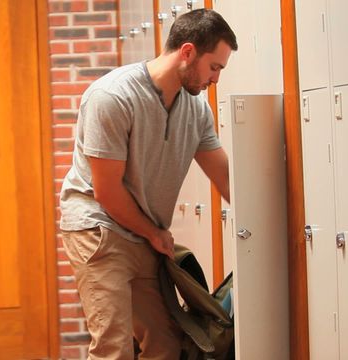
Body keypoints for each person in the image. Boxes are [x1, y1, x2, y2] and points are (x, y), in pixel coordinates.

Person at [58, 8, 237, 360]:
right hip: (99, 230)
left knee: (167, 344)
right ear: (187, 52)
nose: (216, 79)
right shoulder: (112, 97)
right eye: (214, 67)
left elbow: (226, 178)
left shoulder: (197, 110)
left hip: (144, 234)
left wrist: (258, 226)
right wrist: (154, 233)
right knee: (114, 347)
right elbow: (107, 192)